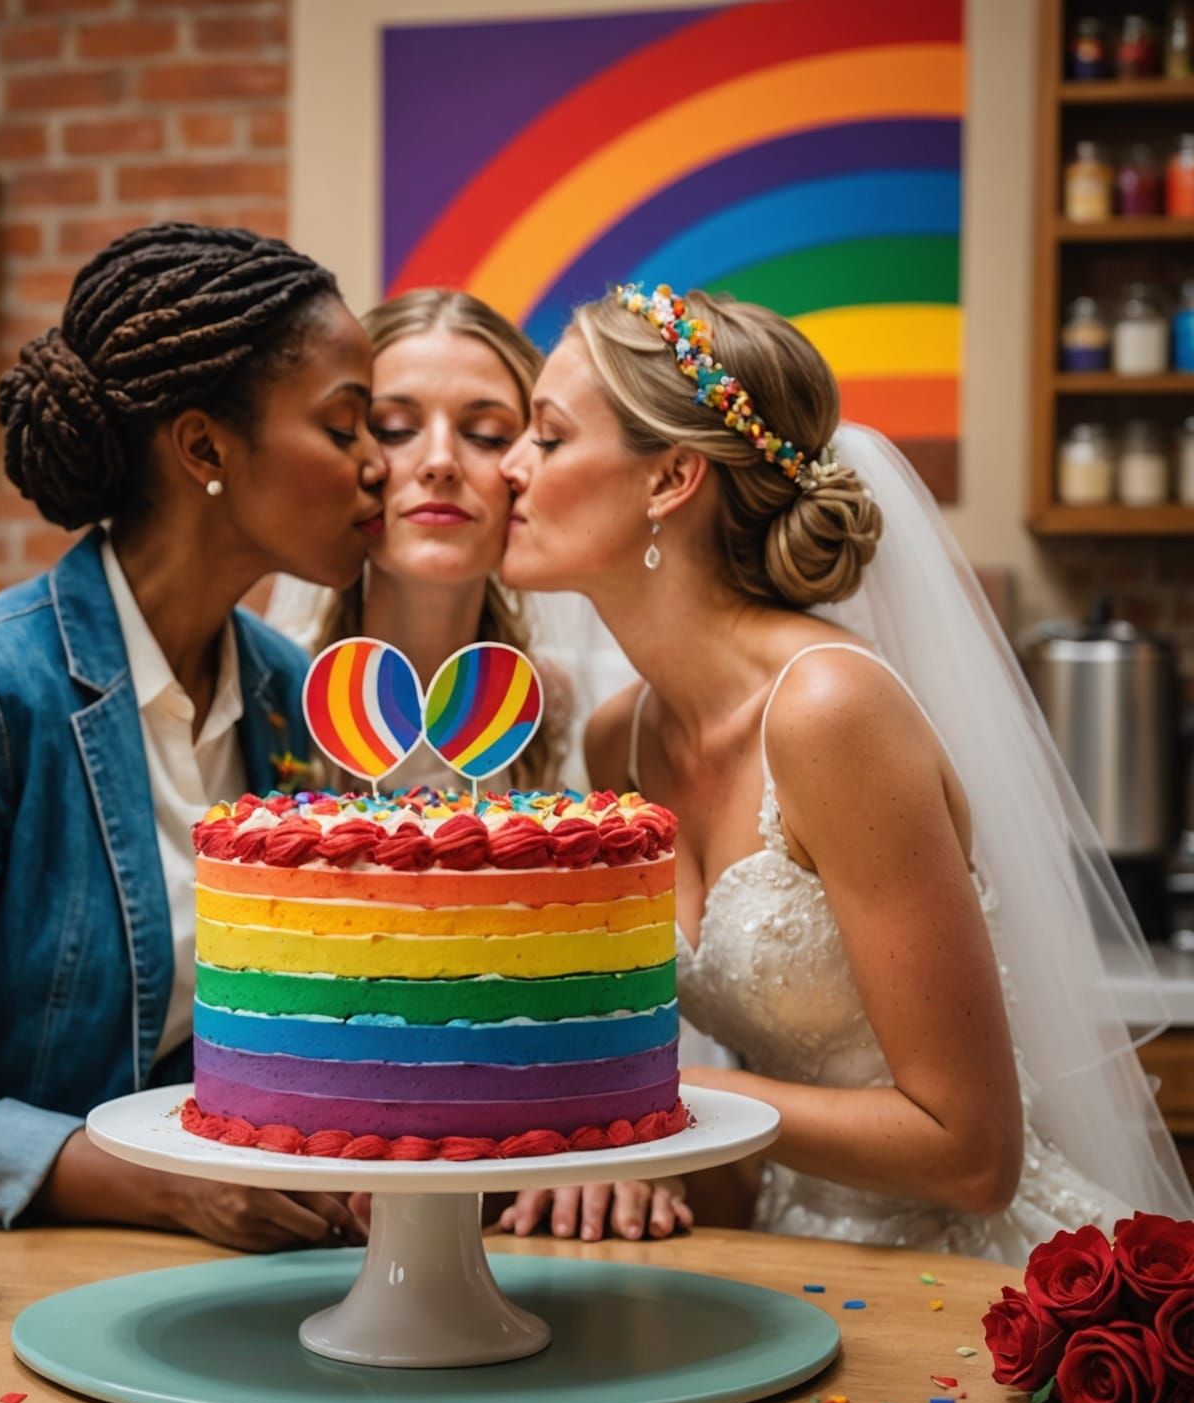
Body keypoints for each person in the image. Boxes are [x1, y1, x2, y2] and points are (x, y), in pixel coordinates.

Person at [494, 282, 1194, 1259]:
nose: (509, 471)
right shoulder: (622, 742)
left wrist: (663, 1101)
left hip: (976, 1263)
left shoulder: (829, 714)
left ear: (670, 479)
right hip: (795, 1249)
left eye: (549, 437)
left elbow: (973, 1152)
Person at [0, 223, 387, 1251]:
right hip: (13, 1282)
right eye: (346, 428)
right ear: (206, 447)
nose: (380, 465)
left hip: (250, 1273)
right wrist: (174, 1188)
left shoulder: (291, 694)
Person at [261, 288, 635, 792]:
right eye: (393, 428)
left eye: (485, 434)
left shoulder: (558, 713)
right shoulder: (275, 702)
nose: (440, 461)